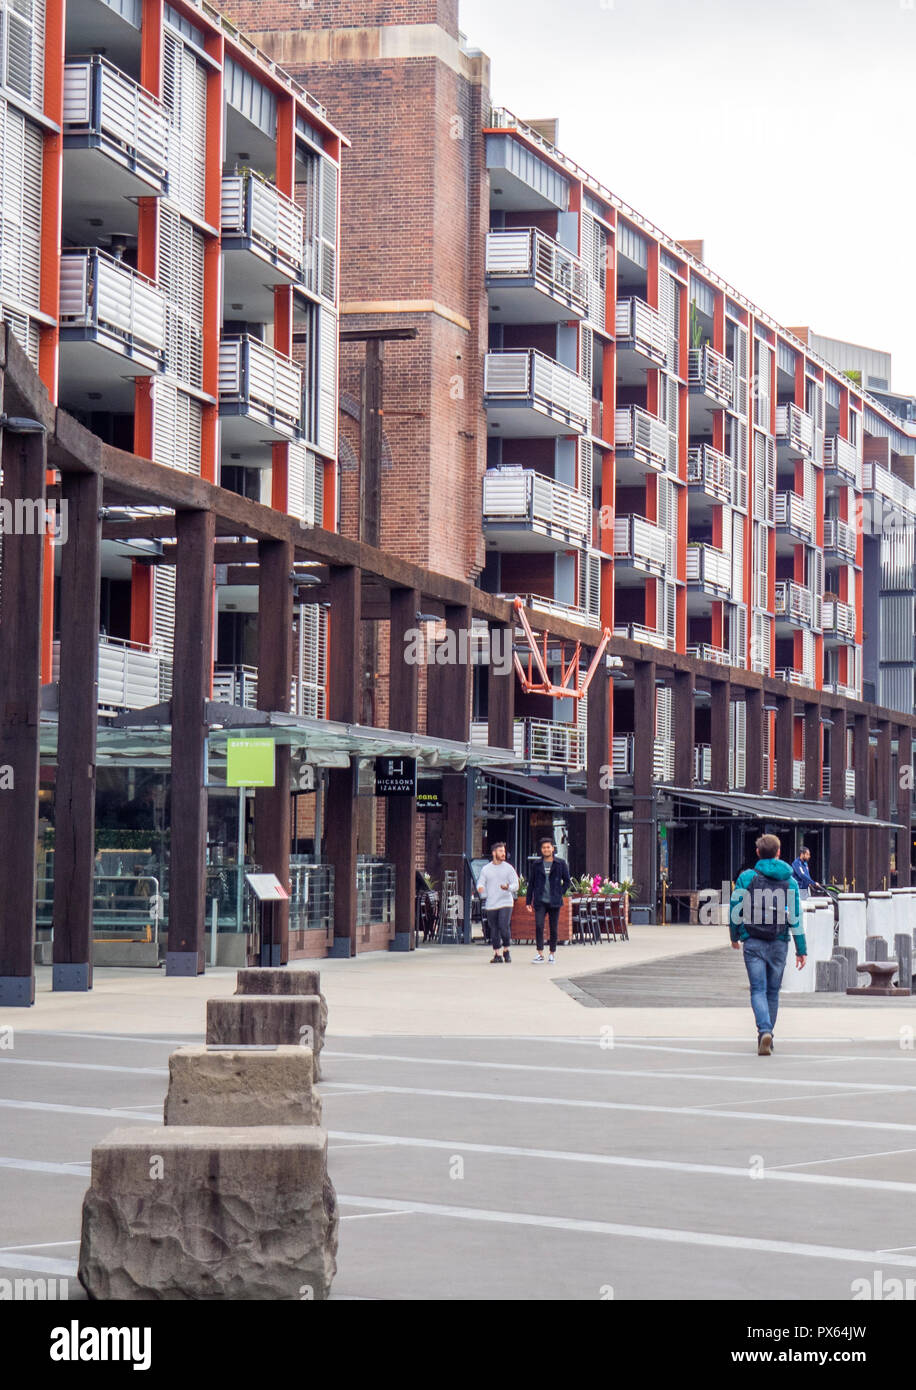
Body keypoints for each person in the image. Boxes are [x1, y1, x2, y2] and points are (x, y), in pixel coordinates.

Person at [730, 833, 807, 1055]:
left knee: (758, 989)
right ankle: (768, 1035)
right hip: (779, 941)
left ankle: (763, 1030)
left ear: (758, 853)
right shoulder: (790, 881)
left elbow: (736, 910)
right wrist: (801, 950)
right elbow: (795, 917)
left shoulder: (746, 877)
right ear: (779, 852)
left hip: (753, 940)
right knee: (773, 992)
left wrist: (734, 936)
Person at [526, 836, 572, 964]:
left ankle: (552, 953)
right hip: (540, 900)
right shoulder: (536, 864)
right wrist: (528, 901)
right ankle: (540, 953)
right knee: (539, 925)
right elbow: (531, 883)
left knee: (553, 928)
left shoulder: (561, 863)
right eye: (544, 847)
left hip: (554, 901)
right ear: (541, 850)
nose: (546, 849)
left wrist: (559, 893)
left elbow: (567, 882)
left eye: (548, 847)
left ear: (553, 848)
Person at [476, 843, 519, 963]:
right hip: (491, 902)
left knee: (504, 926)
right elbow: (481, 882)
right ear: (494, 853)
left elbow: (516, 885)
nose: (503, 853)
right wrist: (480, 887)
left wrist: (508, 887)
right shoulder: (486, 869)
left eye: (504, 851)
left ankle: (506, 949)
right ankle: (497, 954)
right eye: (500, 851)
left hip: (506, 901)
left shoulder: (508, 868)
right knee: (494, 928)